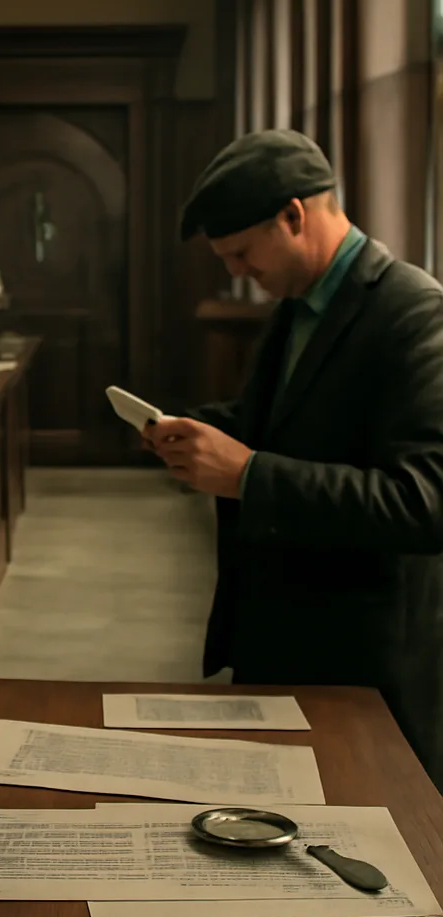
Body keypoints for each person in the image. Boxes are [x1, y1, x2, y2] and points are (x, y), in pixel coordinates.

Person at [146, 128, 443, 789]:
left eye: (242, 253)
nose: (236, 273)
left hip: (361, 666)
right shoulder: (298, 303)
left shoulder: (414, 312)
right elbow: (283, 424)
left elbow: (425, 501)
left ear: (293, 215)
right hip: (283, 640)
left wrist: (248, 475)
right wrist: (196, 430)